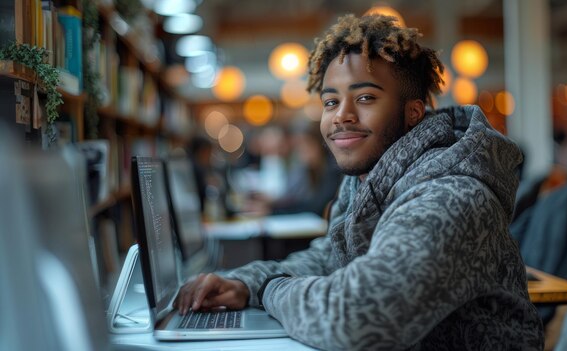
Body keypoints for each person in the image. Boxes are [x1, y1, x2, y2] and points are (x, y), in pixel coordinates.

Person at [175, 14, 543, 350]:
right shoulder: (367, 181)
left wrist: (271, 289)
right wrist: (246, 283)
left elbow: (356, 317)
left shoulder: (451, 195)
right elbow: (328, 258)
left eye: (365, 98)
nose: (341, 116)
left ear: (412, 112)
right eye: (331, 102)